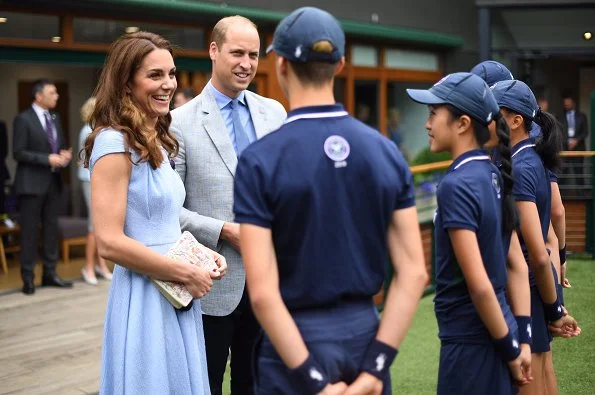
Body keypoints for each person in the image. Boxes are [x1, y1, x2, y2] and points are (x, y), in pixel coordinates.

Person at [234, 7, 428, 394]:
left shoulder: (260, 160)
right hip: (364, 339)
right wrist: (374, 370)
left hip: (293, 346)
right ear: (340, 65)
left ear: (282, 65)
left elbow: (262, 292)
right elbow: (413, 272)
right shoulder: (385, 151)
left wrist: (314, 382)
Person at [83, 31, 226, 394]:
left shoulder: (157, 138)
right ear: (127, 83)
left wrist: (202, 256)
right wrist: (184, 273)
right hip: (145, 295)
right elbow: (110, 244)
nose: (168, 85)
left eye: (172, 74)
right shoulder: (113, 142)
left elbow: (162, 221)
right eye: (155, 75)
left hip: (177, 289)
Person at [170, 16, 286, 395]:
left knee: (259, 384)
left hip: (269, 279)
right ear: (214, 51)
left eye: (253, 55)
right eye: (237, 53)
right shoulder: (177, 123)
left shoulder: (275, 113)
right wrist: (222, 230)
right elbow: (170, 208)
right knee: (205, 385)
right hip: (211, 284)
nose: (247, 63)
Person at [407, 72, 531, 394]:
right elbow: (516, 264)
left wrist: (510, 348)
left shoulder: (456, 184)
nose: (427, 123)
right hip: (499, 327)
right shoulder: (491, 171)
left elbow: (480, 286)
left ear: (462, 123)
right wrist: (521, 339)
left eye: (434, 113)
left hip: (471, 339)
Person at [491, 80, 580, 394]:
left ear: (516, 120)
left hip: (528, 285)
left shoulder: (522, 166)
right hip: (535, 284)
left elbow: (538, 250)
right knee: (542, 372)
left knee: (531, 379)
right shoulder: (530, 159)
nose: (486, 118)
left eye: (494, 112)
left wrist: (555, 306)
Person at [12, 79, 73, 295]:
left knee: (50, 230)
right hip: (31, 184)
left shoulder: (54, 118)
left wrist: (65, 155)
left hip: (53, 183)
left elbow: (61, 145)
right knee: (29, 232)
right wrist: (47, 158)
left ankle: (50, 273)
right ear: (39, 96)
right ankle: (27, 278)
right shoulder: (23, 119)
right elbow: (18, 152)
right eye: (52, 92)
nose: (56, 95)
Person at [77, 97, 112, 285]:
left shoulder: (98, 130)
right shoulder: (89, 131)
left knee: (100, 225)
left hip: (97, 181)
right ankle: (88, 267)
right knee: (94, 225)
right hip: (90, 181)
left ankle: (101, 265)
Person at [559, 93, 589, 191]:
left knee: (579, 172)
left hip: (578, 148)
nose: (566, 105)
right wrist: (567, 142)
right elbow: (559, 132)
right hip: (565, 149)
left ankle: (582, 195)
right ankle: (562, 197)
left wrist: (576, 141)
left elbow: (585, 132)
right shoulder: (561, 117)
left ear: (573, 103)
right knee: (563, 173)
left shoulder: (582, 116)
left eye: (568, 103)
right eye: (565, 104)